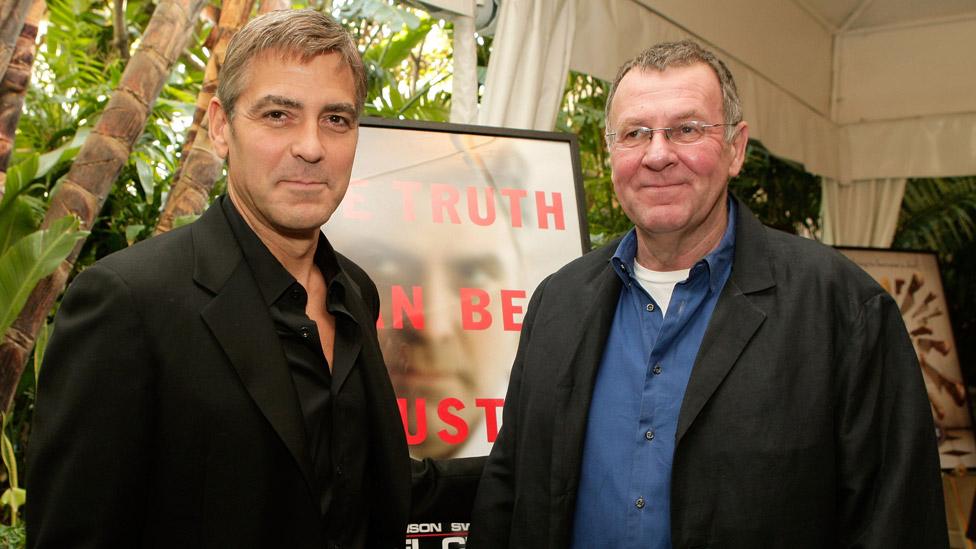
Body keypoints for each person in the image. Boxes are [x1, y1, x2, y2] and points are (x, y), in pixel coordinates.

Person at [26, 9, 479, 549]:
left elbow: (367, 485)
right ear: (221, 126)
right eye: (278, 115)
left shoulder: (354, 292)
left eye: (336, 119)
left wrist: (550, 458)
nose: (311, 146)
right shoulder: (128, 303)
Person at [468, 40, 947, 548]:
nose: (657, 155)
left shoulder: (843, 310)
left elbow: (897, 519)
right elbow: (509, 483)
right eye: (635, 134)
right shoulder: (558, 303)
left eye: (687, 130)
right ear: (611, 153)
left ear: (735, 148)